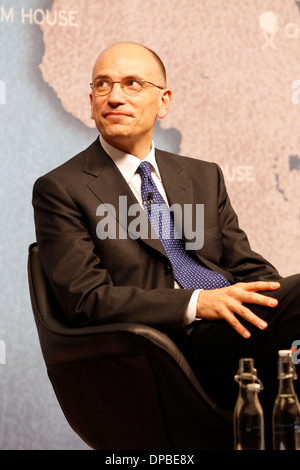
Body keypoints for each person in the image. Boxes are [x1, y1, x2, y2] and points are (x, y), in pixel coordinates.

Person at [32, 41, 300, 435]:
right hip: (165, 350)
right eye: (103, 85)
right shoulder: (61, 188)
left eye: (132, 83)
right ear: (91, 103)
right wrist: (197, 302)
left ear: (164, 101)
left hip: (237, 334)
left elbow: (245, 264)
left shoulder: (202, 176)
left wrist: (273, 301)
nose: (115, 96)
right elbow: (86, 300)